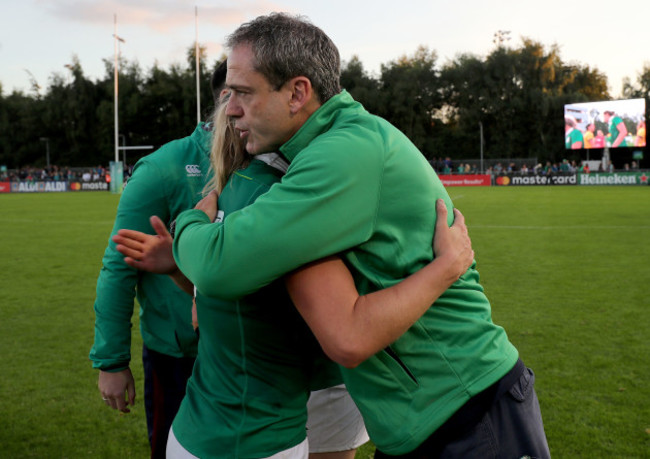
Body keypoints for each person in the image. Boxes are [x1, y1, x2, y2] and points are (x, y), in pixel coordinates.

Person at [150, 12, 549, 458]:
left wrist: (189, 222)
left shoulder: (342, 153)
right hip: (424, 419)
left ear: (298, 92)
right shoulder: (321, 149)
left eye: (243, 93)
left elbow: (220, 267)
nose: (232, 109)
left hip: (469, 409)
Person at [114, 94, 475, 458]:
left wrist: (183, 253)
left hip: (203, 423)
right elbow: (347, 336)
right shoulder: (282, 198)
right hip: (265, 430)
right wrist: (445, 268)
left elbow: (202, 314)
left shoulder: (220, 200)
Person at [88, 62, 229, 457]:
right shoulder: (164, 168)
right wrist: (112, 361)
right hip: (178, 359)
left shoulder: (273, 164)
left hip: (255, 354)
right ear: (226, 99)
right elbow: (120, 264)